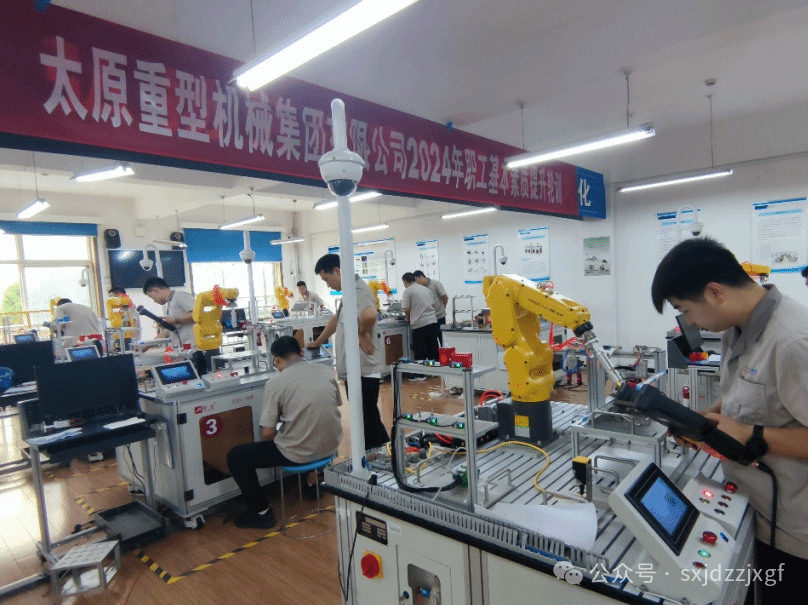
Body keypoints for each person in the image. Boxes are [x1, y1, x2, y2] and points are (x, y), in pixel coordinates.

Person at [651, 237, 808, 603]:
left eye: (685, 310)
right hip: (752, 510)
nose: (689, 322)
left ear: (715, 292)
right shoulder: (736, 329)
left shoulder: (792, 342)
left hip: (793, 532)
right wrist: (708, 418)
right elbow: (745, 394)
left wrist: (749, 434)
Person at [226, 336, 342, 529]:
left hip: (300, 454)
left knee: (236, 456)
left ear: (276, 359)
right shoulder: (327, 371)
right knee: (311, 429)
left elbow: (267, 433)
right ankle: (312, 485)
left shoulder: (275, 383)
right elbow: (330, 406)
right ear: (301, 352)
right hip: (331, 447)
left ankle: (261, 512)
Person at [306, 253, 389, 450]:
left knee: (368, 419)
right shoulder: (350, 291)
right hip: (357, 369)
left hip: (363, 368)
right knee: (366, 418)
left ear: (337, 271)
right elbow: (337, 319)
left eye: (327, 279)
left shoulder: (357, 289)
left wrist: (362, 333)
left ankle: (382, 455)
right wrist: (318, 341)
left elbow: (370, 314)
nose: (327, 285)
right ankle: (379, 455)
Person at [401, 272, 440, 381]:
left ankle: (420, 374)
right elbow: (433, 305)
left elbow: (406, 309)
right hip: (432, 321)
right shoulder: (425, 289)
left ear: (405, 282)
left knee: (420, 350)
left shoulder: (408, 291)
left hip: (420, 323)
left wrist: (407, 317)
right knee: (432, 347)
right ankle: (434, 371)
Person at [142, 277, 196, 349]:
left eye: (152, 297)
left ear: (155, 290)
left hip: (194, 347)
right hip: (184, 348)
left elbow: (197, 314)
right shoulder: (170, 304)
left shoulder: (180, 296)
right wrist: (146, 346)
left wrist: (175, 320)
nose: (154, 301)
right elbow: (167, 331)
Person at [413, 270, 448, 345]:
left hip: (439, 316)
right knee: (433, 341)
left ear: (421, 277)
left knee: (442, 338)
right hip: (429, 319)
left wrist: (443, 307)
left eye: (416, 280)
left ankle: (444, 352)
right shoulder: (420, 288)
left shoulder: (435, 283)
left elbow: (445, 297)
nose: (416, 283)